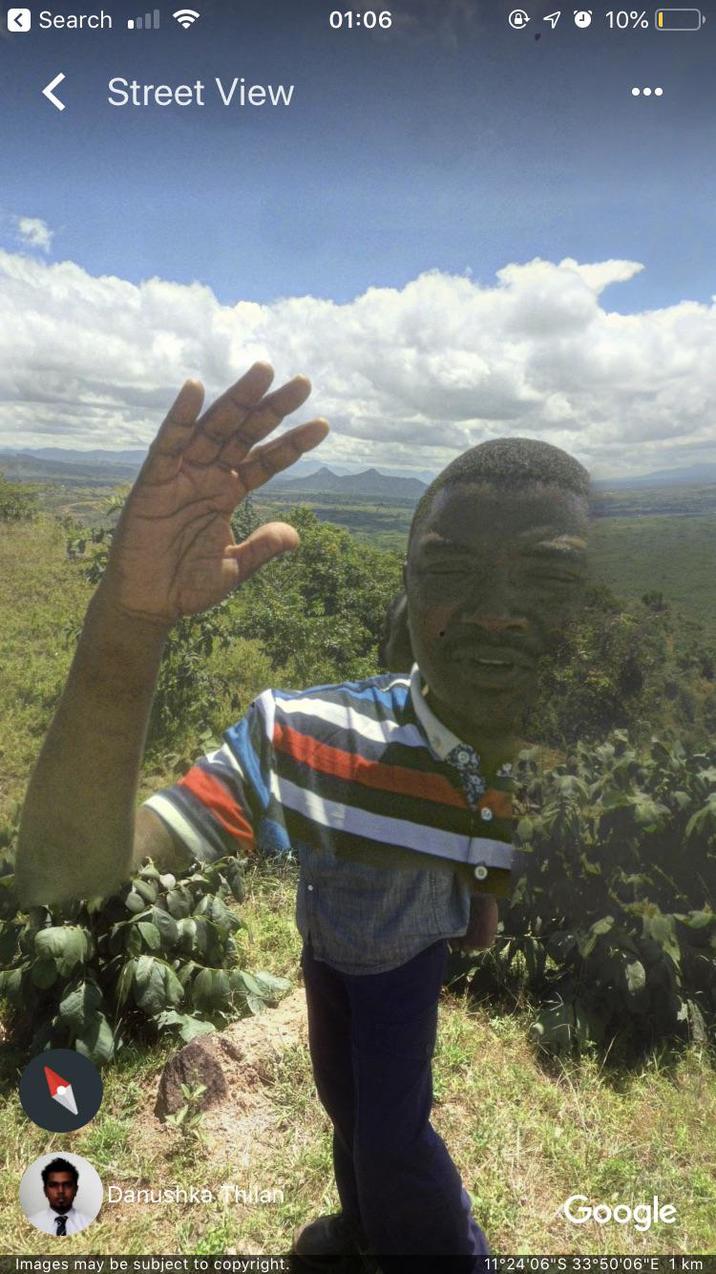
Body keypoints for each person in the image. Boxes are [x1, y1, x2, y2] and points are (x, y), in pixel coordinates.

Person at [15, 362, 590, 1272]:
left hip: (404, 962)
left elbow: (486, 837)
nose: (497, 615)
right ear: (408, 593)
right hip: (327, 949)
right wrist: (128, 620)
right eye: (452, 571)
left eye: (548, 581)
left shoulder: (526, 758)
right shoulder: (304, 734)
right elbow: (70, 871)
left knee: (394, 1132)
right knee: (345, 1105)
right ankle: (365, 1231)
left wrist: (479, 908)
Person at [28, 1158, 94, 1236]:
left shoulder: (91, 1225)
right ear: (45, 1190)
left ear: (76, 1189)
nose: (61, 1191)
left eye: (67, 1185)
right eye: (53, 1185)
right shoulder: (31, 1225)